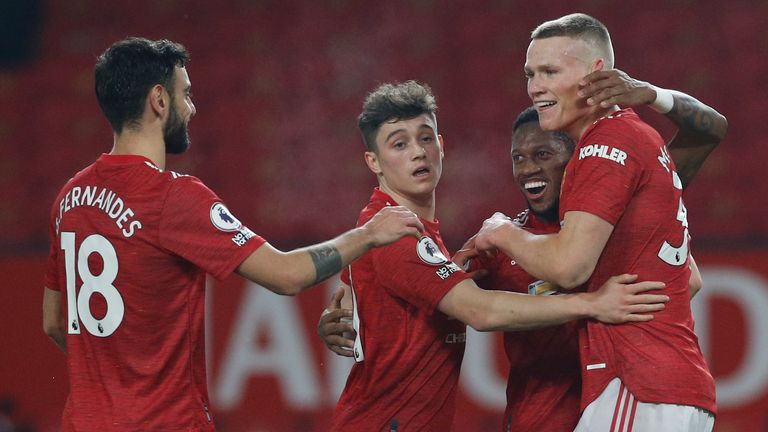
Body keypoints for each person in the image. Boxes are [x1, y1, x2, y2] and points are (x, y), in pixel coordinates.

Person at [41, 37, 427, 432]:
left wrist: (114, 378)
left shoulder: (70, 197)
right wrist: (368, 234)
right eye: (185, 94)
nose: (192, 108)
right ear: (159, 100)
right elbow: (286, 274)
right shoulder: (173, 197)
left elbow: (54, 322)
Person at [319, 69, 725, 431]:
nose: (529, 167)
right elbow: (472, 304)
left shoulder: (619, 219)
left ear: (580, 161)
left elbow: (688, 277)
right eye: (519, 157)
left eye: (544, 154)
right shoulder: (492, 243)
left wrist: (652, 94)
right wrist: (348, 312)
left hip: (617, 402)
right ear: (373, 160)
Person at [473, 13, 727, 431]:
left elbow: (569, 265)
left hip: (635, 381)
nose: (536, 86)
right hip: (666, 386)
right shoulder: (636, 137)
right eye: (530, 74)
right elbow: (689, 279)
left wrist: (501, 231)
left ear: (597, 74)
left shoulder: (605, 145)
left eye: (551, 71)